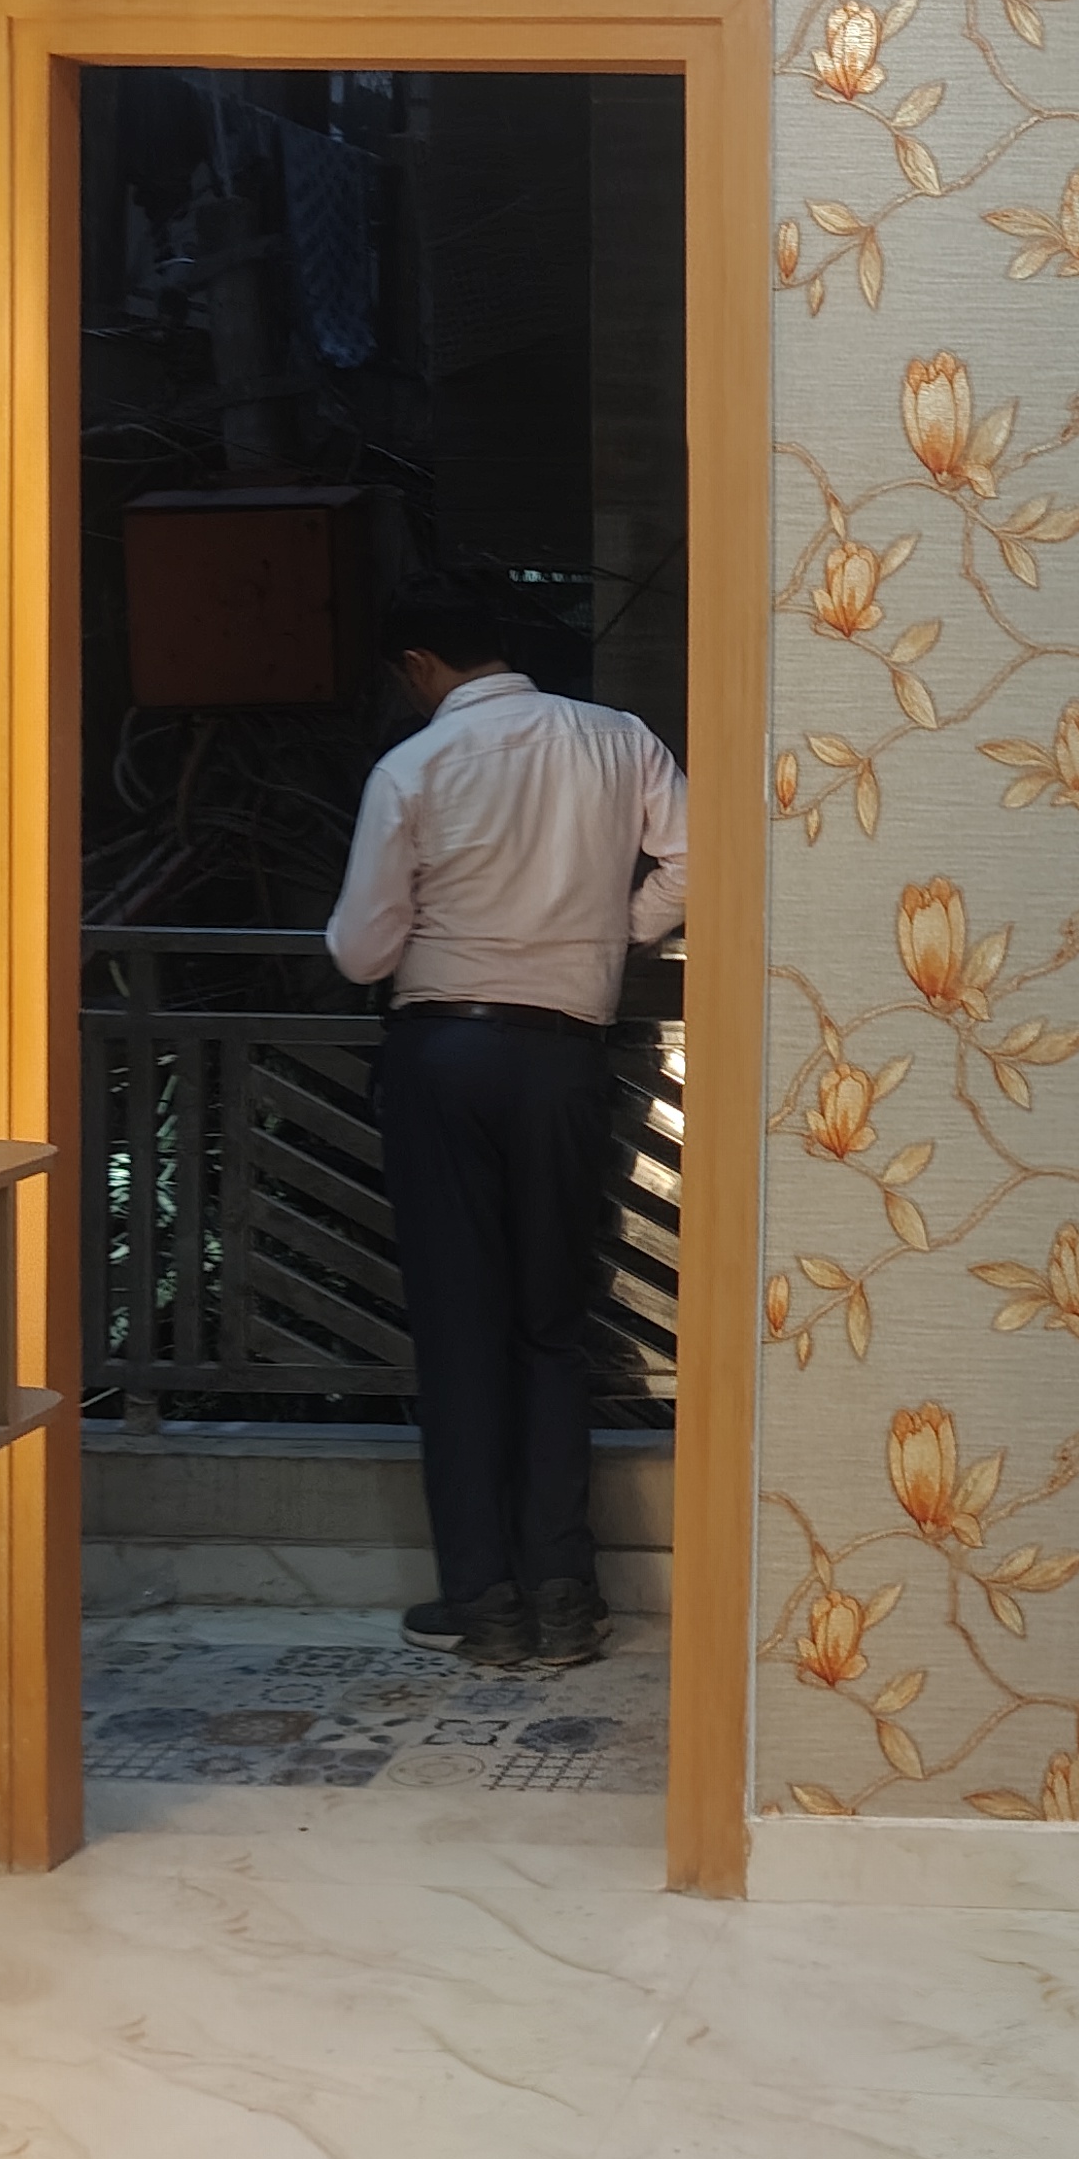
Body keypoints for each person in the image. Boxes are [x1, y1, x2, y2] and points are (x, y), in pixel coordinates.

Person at [326, 578, 686, 1668]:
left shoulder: (414, 766)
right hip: (564, 1057)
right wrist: (610, 930)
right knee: (551, 1326)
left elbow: (361, 950)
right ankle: (567, 1594)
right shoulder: (619, 739)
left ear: (419, 666)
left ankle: (485, 1601)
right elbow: (698, 859)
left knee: (460, 1329)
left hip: (445, 1054)